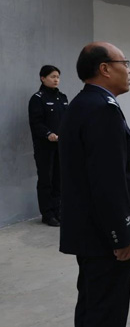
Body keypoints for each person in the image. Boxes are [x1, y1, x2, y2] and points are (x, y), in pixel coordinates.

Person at [58, 42, 130, 327]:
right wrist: (119, 235)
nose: (129, 70)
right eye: (125, 63)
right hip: (104, 238)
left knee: (92, 307)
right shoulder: (101, 110)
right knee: (107, 313)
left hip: (90, 232)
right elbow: (108, 181)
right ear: (105, 69)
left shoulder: (82, 104)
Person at [28, 65, 68, 227]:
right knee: (46, 180)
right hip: (45, 147)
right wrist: (48, 134)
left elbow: (67, 121)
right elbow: (36, 123)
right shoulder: (38, 99)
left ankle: (58, 211)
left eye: (57, 77)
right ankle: (47, 214)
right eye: (52, 76)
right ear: (43, 78)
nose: (56, 79)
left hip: (61, 146)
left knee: (59, 180)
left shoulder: (62, 98)